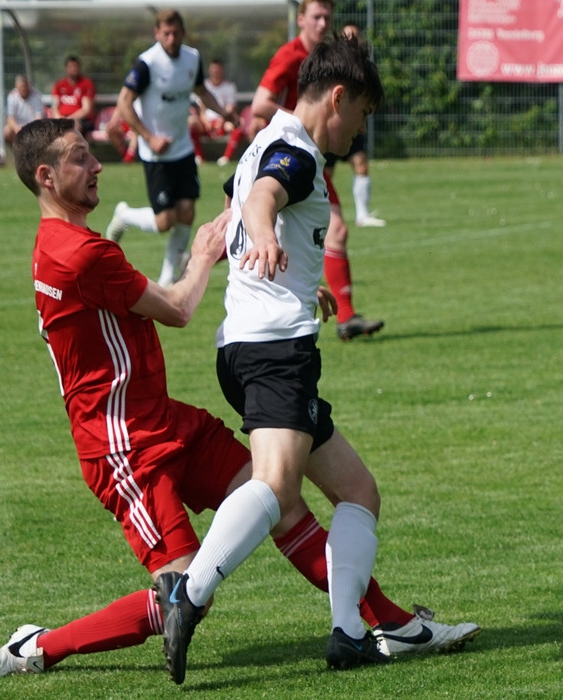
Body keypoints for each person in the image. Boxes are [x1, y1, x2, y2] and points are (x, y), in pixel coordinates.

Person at [0, 118, 479, 682]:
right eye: (79, 158)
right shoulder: (79, 254)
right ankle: (38, 646)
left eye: (92, 154)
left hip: (165, 420)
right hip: (123, 447)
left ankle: (387, 621)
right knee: (185, 591)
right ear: (46, 176)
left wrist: (280, 280)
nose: (96, 166)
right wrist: (201, 254)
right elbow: (177, 307)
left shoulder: (68, 245)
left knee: (281, 501)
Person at [157, 33, 396, 685]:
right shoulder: (296, 155)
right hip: (274, 352)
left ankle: (348, 632)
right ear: (337, 98)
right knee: (275, 486)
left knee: (358, 492)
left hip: (251, 344)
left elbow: (243, 205)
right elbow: (262, 201)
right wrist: (263, 237)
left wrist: (293, 276)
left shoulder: (264, 140)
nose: (359, 131)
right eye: (361, 116)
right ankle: (188, 593)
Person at [249, 0, 383, 341]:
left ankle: (345, 315)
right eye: (316, 17)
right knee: (328, 227)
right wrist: (301, 121)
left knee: (332, 230)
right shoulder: (289, 56)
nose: (323, 23)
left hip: (315, 149)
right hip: (294, 151)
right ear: (301, 19)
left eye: (327, 17)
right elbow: (260, 103)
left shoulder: (333, 61)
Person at [104, 9, 237, 287]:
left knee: (187, 213)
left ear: (183, 33)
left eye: (176, 33)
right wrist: (149, 137)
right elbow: (124, 103)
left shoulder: (193, 58)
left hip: (183, 149)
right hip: (156, 154)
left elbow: (201, 92)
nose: (171, 38)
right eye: (166, 33)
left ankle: (167, 278)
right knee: (165, 221)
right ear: (157, 33)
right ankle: (124, 215)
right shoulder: (147, 63)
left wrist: (224, 113)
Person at [334, 23, 385, 228]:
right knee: (323, 175)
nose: (351, 41)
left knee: (361, 164)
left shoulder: (364, 68)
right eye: (347, 37)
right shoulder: (333, 64)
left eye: (355, 37)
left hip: (352, 127)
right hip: (333, 128)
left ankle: (362, 215)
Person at [189, 58, 244, 166]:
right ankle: (199, 157)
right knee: (191, 122)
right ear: (209, 70)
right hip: (206, 122)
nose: (215, 72)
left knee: (238, 124)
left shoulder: (229, 86)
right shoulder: (203, 86)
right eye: (213, 69)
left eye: (218, 69)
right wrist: (205, 121)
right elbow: (201, 108)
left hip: (223, 121)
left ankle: (226, 158)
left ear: (222, 70)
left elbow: (230, 107)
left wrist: (223, 119)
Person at [52, 55, 96, 135]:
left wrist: (68, 119)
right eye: (70, 66)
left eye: (75, 66)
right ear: (66, 68)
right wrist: (59, 117)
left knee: (74, 127)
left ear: (79, 68)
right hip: (62, 119)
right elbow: (55, 106)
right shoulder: (59, 84)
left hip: (80, 119)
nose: (73, 69)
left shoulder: (86, 84)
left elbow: (86, 109)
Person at [4, 75, 46, 145]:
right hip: (18, 126)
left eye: (25, 87)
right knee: (7, 131)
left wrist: (30, 128)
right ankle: (15, 148)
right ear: (17, 87)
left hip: (33, 126)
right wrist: (16, 127)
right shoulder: (12, 96)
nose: (23, 89)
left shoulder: (37, 96)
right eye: (21, 87)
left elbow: (39, 116)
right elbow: (10, 118)